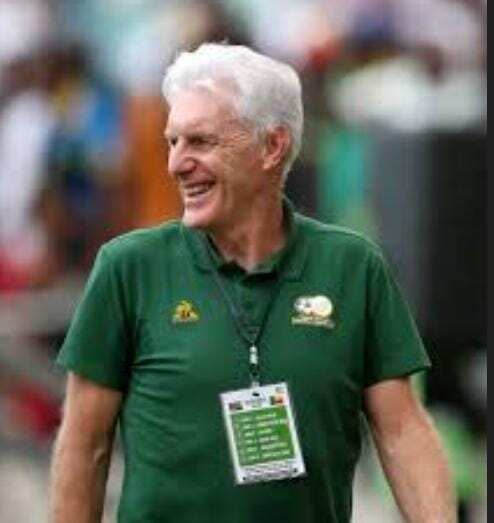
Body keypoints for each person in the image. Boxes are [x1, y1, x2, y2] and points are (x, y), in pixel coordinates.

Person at [50, 43, 456, 522]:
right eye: (173, 142)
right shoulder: (128, 267)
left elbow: (402, 431)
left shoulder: (353, 266)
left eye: (200, 142)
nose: (176, 163)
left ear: (272, 147)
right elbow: (84, 445)